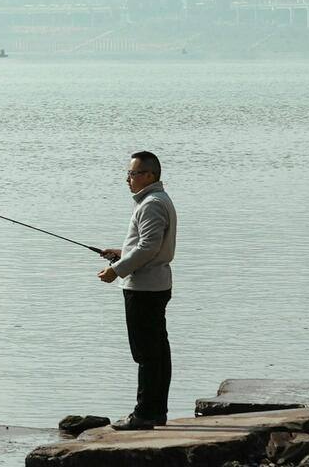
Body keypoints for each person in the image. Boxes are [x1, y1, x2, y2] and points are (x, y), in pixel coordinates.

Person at [97, 151, 178, 430]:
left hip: (144, 288)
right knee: (156, 352)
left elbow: (148, 248)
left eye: (133, 173)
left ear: (150, 175)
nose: (127, 179)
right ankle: (156, 412)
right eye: (129, 173)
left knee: (146, 354)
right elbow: (149, 246)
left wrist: (116, 270)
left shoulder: (151, 204)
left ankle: (144, 414)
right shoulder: (156, 201)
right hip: (154, 284)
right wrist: (121, 253)